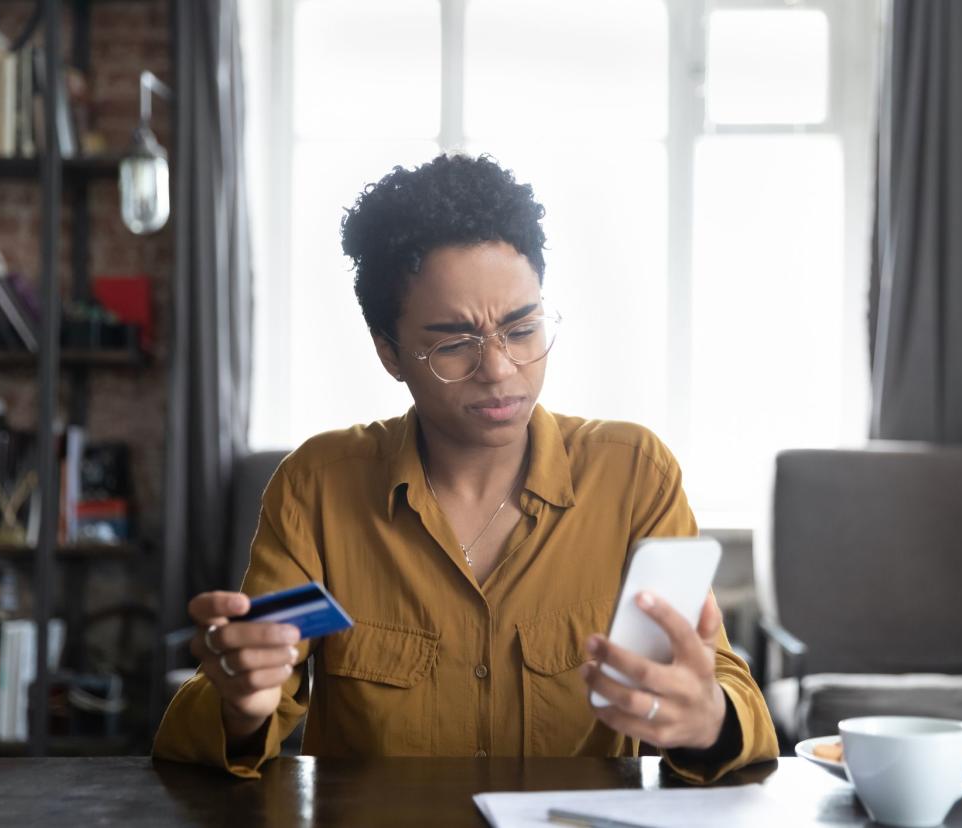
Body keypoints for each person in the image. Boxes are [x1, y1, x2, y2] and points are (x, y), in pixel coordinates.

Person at [152, 154, 779, 782]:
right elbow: (226, 712)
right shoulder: (317, 486)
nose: (500, 369)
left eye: (522, 328)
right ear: (390, 353)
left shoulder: (633, 476)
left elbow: (723, 682)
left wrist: (710, 720)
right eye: (454, 343)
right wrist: (239, 706)